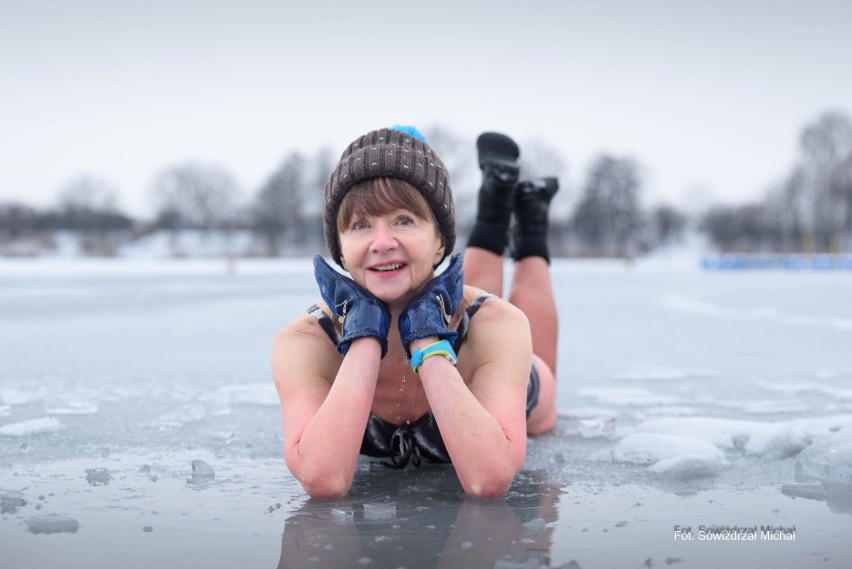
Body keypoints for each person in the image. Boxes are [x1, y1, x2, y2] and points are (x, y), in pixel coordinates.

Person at [272, 126, 559, 498]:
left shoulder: (498, 325)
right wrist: (362, 334)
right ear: (340, 250)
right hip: (410, 326)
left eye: (403, 220)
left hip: (511, 369)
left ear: (440, 242)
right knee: (477, 311)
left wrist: (426, 335)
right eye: (360, 225)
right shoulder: (306, 340)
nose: (382, 243)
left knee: (504, 329)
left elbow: (489, 478)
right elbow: (323, 479)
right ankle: (500, 196)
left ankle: (525, 218)